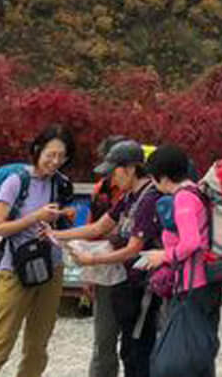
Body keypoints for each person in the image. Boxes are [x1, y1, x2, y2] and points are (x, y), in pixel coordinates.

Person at [0, 125, 76, 377]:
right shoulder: (16, 182)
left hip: (52, 267)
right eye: (51, 154)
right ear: (37, 150)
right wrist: (35, 217)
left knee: (38, 347)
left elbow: (55, 222)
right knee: (0, 345)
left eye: (62, 156)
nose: (55, 161)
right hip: (15, 270)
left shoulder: (60, 183)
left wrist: (59, 218)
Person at [53, 141, 162, 377]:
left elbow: (134, 249)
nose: (112, 178)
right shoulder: (129, 197)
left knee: (138, 352)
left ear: (131, 169)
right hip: (124, 283)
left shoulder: (149, 199)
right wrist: (55, 235)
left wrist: (91, 261)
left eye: (115, 170)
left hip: (143, 287)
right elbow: (98, 227)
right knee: (126, 350)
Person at [140, 146, 221, 376]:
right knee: (199, 349)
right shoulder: (197, 192)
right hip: (206, 283)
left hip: (191, 287)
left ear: (163, 177)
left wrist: (162, 256)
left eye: (153, 178)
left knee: (177, 357)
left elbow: (190, 242)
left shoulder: (183, 199)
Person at [82, 134, 133, 377]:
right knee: (104, 341)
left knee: (138, 342)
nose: (109, 173)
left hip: (135, 272)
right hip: (105, 269)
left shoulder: (144, 192)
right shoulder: (101, 189)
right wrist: (90, 275)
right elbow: (94, 229)